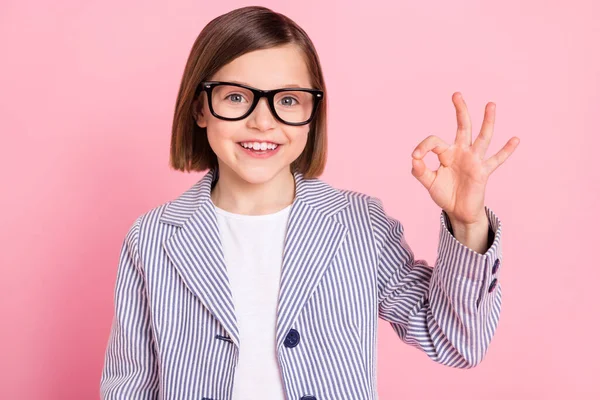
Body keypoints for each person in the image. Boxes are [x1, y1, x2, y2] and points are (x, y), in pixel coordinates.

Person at [99, 5, 520, 400]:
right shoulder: (153, 238)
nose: (263, 121)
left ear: (312, 114)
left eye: (287, 100)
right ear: (200, 108)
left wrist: (467, 224)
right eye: (235, 97)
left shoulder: (358, 224)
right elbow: (129, 385)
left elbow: (457, 342)